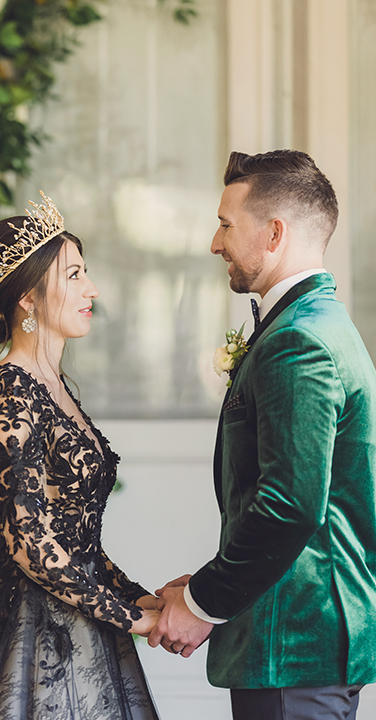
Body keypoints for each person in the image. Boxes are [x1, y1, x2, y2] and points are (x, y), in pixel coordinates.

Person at [0, 192, 161, 720]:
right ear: (28, 297)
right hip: (34, 628)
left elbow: (76, 539)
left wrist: (142, 598)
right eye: (74, 276)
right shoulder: (9, 390)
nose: (92, 290)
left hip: (81, 615)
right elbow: (30, 543)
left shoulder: (54, 384)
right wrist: (133, 618)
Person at [148, 150, 376, 720]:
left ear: (274, 233)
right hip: (305, 640)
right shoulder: (322, 325)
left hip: (292, 647)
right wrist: (209, 579)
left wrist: (203, 603)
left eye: (226, 223)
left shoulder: (297, 342)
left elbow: (290, 505)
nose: (214, 242)